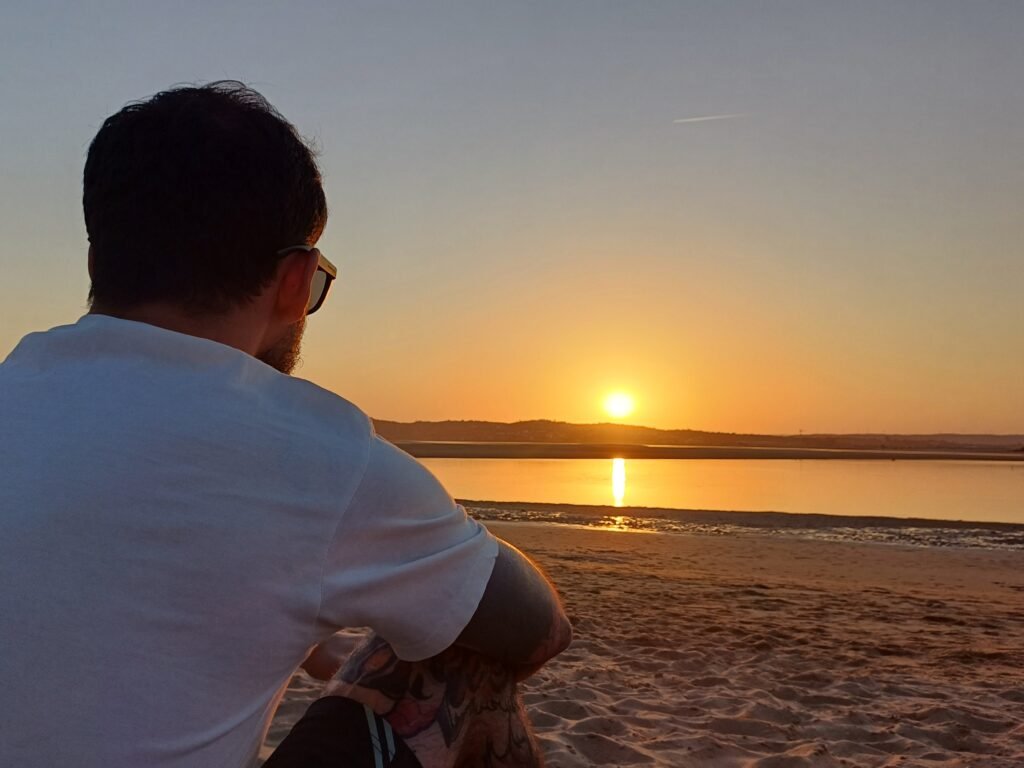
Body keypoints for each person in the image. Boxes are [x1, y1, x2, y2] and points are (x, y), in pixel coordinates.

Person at [0, 81, 571, 768]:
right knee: (459, 660)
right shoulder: (316, 453)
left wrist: (288, 634)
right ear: (297, 283)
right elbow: (538, 628)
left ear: (96, 261)